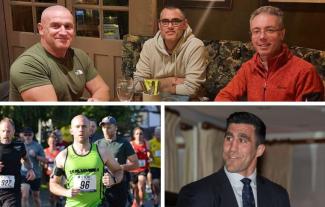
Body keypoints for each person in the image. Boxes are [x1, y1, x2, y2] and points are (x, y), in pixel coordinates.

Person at [177, 112, 291, 207]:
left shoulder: (278, 196)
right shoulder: (196, 193)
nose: (232, 148)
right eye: (229, 138)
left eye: (242, 140)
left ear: (259, 150)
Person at [215, 6, 324, 101]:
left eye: (270, 30)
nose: (262, 37)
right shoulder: (248, 68)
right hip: (254, 124)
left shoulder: (305, 72)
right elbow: (223, 97)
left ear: (282, 34)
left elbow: (311, 117)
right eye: (256, 31)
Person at [9, 5, 110, 101]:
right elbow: (51, 109)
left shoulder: (79, 56)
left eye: (68, 26)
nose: (63, 32)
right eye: (55, 26)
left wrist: (97, 101)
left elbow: (102, 89)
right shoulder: (27, 65)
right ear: (41, 29)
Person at [49, 115, 123, 207]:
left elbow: (118, 171)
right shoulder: (63, 156)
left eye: (84, 126)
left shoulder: (102, 152)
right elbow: (53, 184)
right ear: (71, 130)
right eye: (77, 126)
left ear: (90, 130)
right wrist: (66, 192)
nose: (81, 129)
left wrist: (113, 180)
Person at [133, 6, 207, 97]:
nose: (170, 26)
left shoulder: (195, 46)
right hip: (154, 101)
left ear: (185, 24)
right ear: (159, 25)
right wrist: (170, 81)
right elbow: (137, 86)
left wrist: (155, 85)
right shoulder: (149, 46)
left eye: (175, 21)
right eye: (165, 22)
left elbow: (192, 89)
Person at [95, 116, 139, 207]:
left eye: (109, 127)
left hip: (119, 184)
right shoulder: (97, 144)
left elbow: (135, 164)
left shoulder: (124, 143)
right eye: (103, 127)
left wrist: (118, 167)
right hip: (101, 185)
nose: (106, 130)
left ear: (115, 128)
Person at [0, 118, 35, 207]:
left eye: (8, 131)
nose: (6, 134)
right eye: (3, 131)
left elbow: (26, 159)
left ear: (13, 131)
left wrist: (30, 169)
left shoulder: (19, 146)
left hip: (12, 193)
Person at [20, 127, 47, 207]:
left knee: (36, 197)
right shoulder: (20, 145)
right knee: (24, 196)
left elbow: (45, 160)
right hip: (23, 174)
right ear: (23, 136)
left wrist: (35, 156)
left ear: (33, 135)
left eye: (29, 134)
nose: (27, 136)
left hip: (36, 174)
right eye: (26, 134)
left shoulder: (37, 146)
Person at [129, 127, 150, 207]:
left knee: (141, 184)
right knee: (135, 189)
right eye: (137, 133)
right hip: (133, 169)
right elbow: (128, 157)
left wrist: (149, 156)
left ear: (143, 135)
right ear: (134, 135)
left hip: (143, 168)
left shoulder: (146, 142)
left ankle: (142, 203)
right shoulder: (131, 144)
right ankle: (137, 203)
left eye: (141, 133)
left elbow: (148, 152)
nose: (139, 135)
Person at [44, 134, 60, 207]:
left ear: (56, 142)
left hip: (56, 175)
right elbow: (41, 162)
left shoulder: (59, 152)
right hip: (47, 174)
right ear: (48, 142)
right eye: (50, 142)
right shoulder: (44, 151)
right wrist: (44, 164)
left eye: (53, 142)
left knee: (55, 193)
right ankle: (52, 204)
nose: (52, 143)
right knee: (50, 193)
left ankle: (57, 203)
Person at [148, 127, 161, 207]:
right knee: (155, 183)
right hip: (154, 165)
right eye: (157, 133)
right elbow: (148, 153)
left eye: (159, 133)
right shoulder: (150, 142)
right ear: (154, 134)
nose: (158, 135)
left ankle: (157, 199)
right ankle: (157, 195)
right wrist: (149, 157)